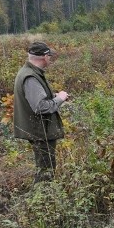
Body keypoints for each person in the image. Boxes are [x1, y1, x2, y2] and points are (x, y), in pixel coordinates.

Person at [13, 42, 69, 183]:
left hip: (39, 130)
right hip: (40, 131)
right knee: (46, 170)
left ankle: (42, 198)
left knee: (44, 167)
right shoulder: (31, 77)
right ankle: (44, 200)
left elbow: (36, 98)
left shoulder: (29, 73)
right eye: (49, 56)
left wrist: (54, 96)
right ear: (44, 57)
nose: (50, 59)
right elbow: (41, 106)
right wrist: (60, 99)